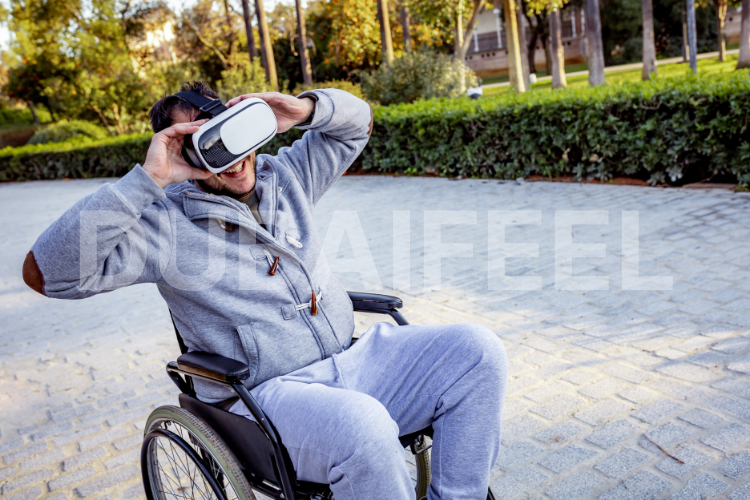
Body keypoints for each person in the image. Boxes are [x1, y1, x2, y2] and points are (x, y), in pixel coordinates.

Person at [22, 82, 507, 500]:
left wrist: (305, 110)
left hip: (356, 362)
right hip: (268, 397)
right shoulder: (164, 224)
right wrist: (146, 181)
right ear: (180, 154)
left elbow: (358, 125)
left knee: (477, 351)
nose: (232, 161)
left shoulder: (286, 175)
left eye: (230, 134)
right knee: (364, 426)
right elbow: (47, 272)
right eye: (205, 147)